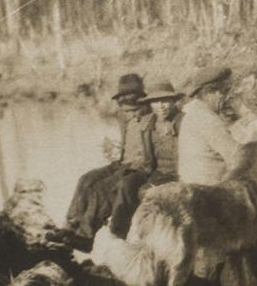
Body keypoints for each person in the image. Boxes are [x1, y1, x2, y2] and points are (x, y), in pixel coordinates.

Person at [65, 73, 150, 247]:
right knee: (86, 179)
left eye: (132, 108)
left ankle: (86, 234)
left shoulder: (150, 118)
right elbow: (127, 145)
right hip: (123, 162)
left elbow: (148, 156)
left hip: (137, 167)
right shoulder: (123, 117)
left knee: (103, 189)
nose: (128, 112)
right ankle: (71, 225)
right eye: (124, 107)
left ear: (141, 101)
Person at [107, 79, 184, 237]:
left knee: (144, 192)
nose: (161, 106)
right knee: (128, 184)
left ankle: (144, 234)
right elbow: (148, 160)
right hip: (156, 172)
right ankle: (119, 232)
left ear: (174, 101)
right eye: (156, 102)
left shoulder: (183, 121)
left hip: (179, 173)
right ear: (151, 104)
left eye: (165, 101)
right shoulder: (149, 124)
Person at [178, 66, 257, 185]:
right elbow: (238, 156)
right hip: (209, 189)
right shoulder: (207, 119)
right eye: (224, 91)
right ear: (212, 92)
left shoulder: (194, 112)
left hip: (194, 185)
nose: (224, 97)